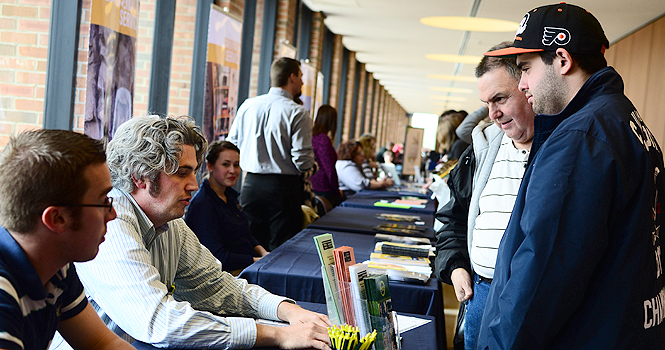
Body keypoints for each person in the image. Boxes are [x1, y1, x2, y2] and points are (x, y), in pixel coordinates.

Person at [52, 115, 332, 350]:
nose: (194, 185)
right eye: (181, 173)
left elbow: (218, 287)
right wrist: (277, 334)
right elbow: (159, 321)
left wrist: (289, 311)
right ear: (140, 176)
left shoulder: (171, 222)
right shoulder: (111, 226)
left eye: (194, 172)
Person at [475, 3, 665, 349]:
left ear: (562, 60)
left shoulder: (581, 137)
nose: (524, 84)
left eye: (526, 69)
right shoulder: (623, 120)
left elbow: (544, 272)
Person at [434, 41, 535, 350]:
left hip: (529, 302)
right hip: (479, 293)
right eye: (486, 102)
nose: (492, 113)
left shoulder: (560, 149)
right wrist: (456, 266)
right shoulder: (481, 150)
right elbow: (452, 219)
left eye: (500, 98)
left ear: (528, 87)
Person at [0, 130, 133, 350]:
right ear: (57, 218)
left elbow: (101, 343)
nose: (113, 214)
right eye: (103, 202)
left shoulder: (55, 265)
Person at [228, 57, 315, 250]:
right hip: (284, 190)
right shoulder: (298, 113)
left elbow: (231, 145)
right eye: (301, 76)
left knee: (251, 244)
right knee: (281, 249)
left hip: (251, 185)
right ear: (292, 77)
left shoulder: (248, 105)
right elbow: (303, 161)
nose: (302, 81)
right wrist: (311, 166)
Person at [184, 141, 268, 275]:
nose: (232, 171)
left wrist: (264, 253)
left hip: (249, 264)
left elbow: (245, 234)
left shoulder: (229, 195)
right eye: (225, 164)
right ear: (210, 166)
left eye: (236, 165)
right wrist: (256, 260)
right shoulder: (203, 205)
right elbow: (217, 256)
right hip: (227, 274)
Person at [310, 104, 343, 208]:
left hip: (313, 185)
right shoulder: (323, 140)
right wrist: (336, 190)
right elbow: (329, 169)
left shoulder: (311, 137)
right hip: (323, 188)